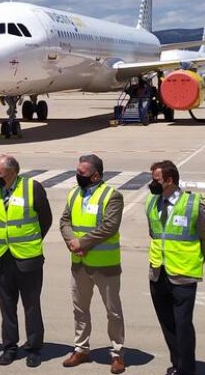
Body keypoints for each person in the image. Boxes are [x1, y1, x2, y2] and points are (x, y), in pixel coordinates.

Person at [146, 160, 205, 375]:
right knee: (167, 323)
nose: (152, 184)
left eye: (156, 180)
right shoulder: (152, 201)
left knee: (183, 324)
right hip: (158, 273)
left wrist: (195, 260)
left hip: (184, 275)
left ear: (170, 180)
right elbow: (155, 234)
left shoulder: (193, 203)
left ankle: (186, 369)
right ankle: (177, 364)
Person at [59, 154, 126, 374]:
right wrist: (71, 241)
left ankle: (117, 353)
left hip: (105, 265)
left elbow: (110, 227)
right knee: (80, 309)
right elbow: (65, 220)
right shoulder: (74, 193)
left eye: (82, 173)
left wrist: (83, 243)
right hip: (79, 263)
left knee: (113, 312)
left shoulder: (112, 195)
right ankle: (81, 348)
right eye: (77, 171)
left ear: (96, 176)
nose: (77, 176)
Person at [0, 154, 52, 368]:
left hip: (27, 257)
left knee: (31, 306)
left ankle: (33, 348)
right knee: (6, 306)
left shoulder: (32, 188)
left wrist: (31, 240)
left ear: (12, 173)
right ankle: (10, 347)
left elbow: (45, 219)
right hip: (2, 257)